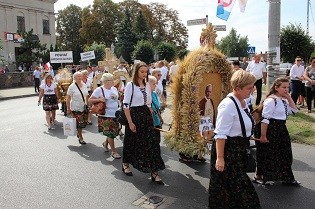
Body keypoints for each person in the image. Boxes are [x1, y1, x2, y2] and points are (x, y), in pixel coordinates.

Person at [209, 70, 261, 209]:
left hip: (238, 150)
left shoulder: (242, 101)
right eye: (249, 87)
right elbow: (220, 134)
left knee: (233, 187)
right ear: (238, 89)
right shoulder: (228, 105)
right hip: (228, 151)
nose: (253, 90)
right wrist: (220, 158)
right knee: (235, 188)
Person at [122, 62, 166, 185]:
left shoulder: (147, 84)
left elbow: (148, 102)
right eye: (142, 71)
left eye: (146, 71)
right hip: (134, 115)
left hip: (146, 116)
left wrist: (152, 111)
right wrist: (130, 122)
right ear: (136, 72)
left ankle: (154, 172)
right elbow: (126, 105)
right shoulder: (130, 85)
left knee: (152, 143)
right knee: (131, 141)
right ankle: (125, 164)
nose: (144, 74)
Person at [254, 77, 300, 186]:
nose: (286, 89)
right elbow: (265, 120)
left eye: (287, 87)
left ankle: (286, 177)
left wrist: (288, 97)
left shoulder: (283, 100)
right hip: (271, 129)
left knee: (285, 153)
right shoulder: (271, 100)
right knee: (267, 153)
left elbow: (294, 111)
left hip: (281, 129)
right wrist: (263, 136)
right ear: (276, 88)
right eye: (283, 87)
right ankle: (260, 176)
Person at [89, 73, 121, 159]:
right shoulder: (99, 90)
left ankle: (105, 143)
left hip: (116, 113)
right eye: (111, 80)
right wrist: (99, 99)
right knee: (111, 133)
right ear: (106, 81)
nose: (113, 82)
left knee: (114, 131)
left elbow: (117, 99)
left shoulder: (114, 88)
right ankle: (113, 151)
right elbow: (90, 100)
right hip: (106, 114)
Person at [66, 72, 89, 145]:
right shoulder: (72, 87)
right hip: (75, 108)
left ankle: (79, 133)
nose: (80, 77)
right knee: (79, 123)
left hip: (83, 107)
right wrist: (68, 108)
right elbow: (68, 98)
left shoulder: (84, 85)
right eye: (78, 76)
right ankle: (81, 137)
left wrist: (88, 105)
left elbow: (87, 96)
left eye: (81, 76)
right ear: (74, 78)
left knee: (83, 123)